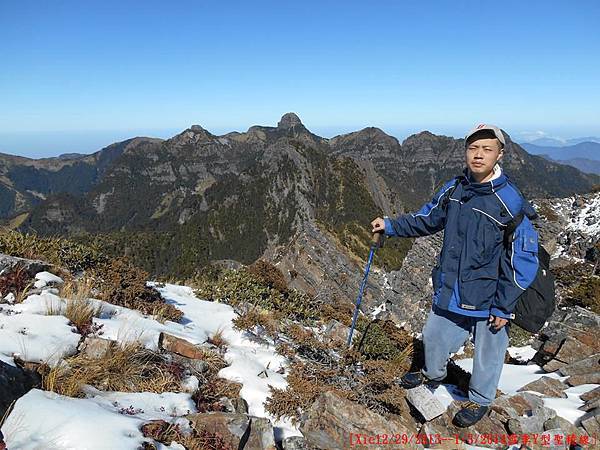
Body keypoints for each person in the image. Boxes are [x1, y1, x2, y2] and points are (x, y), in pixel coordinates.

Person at [371, 124, 539, 427]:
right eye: (473, 148)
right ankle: (435, 374)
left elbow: (523, 259)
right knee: (434, 337)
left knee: (487, 354)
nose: (478, 155)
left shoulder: (510, 203)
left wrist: (504, 304)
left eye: (487, 149)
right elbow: (428, 218)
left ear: (500, 154)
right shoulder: (455, 189)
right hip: (453, 288)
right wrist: (392, 225)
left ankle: (480, 401)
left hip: (490, 297)